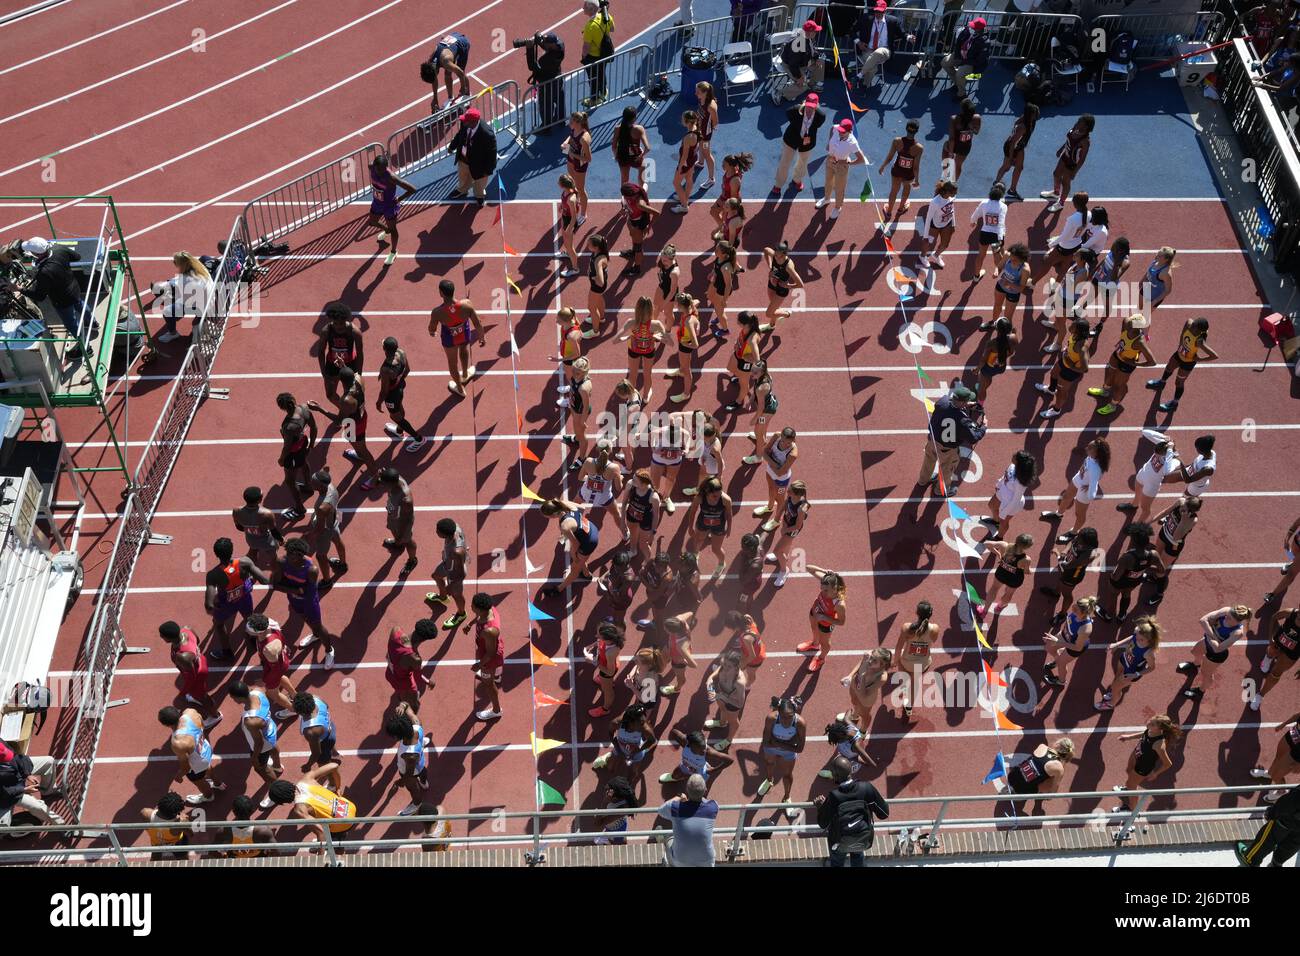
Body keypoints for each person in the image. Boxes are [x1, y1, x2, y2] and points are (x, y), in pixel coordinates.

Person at [20, 236, 96, 357]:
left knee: (72, 324)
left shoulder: (44, 272)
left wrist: (19, 289)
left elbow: (39, 296)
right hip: (74, 288)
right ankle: (93, 323)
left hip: (62, 300)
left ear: (37, 255)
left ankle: (86, 349)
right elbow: (77, 257)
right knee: (81, 305)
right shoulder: (59, 249)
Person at [815, 756, 889, 867]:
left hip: (839, 841)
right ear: (851, 770)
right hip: (861, 837)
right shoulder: (867, 788)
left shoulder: (834, 796)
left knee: (837, 861)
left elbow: (823, 823)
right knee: (858, 855)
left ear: (835, 776)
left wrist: (821, 807)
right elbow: (884, 814)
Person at [203, 537, 268, 660]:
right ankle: (254, 641)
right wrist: (249, 579)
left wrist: (213, 608)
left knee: (219, 625)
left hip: (226, 604)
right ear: (232, 551)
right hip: (244, 598)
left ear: (216, 554)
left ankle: (227, 653)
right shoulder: (245, 562)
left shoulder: (213, 575)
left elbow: (209, 604)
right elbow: (264, 580)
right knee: (249, 619)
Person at [916, 383, 985, 497]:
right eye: (967, 401)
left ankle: (923, 480)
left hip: (932, 441)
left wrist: (963, 405)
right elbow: (974, 438)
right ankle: (939, 490)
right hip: (947, 449)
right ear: (963, 402)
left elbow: (950, 407)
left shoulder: (942, 402)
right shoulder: (963, 419)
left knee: (928, 461)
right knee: (947, 469)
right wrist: (983, 427)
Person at [277, 536, 336, 668]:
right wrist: (295, 590)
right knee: (306, 620)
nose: (289, 558)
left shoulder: (311, 570)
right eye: (288, 554)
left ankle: (329, 650)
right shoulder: (282, 562)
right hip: (293, 600)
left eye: (292, 556)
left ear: (300, 555)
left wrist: (289, 588)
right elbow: (276, 584)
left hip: (309, 602)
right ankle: (315, 635)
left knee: (318, 626)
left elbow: (307, 593)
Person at [265, 764, 357, 848]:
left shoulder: (300, 810)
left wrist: (320, 855)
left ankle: (338, 847)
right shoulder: (307, 778)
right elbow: (334, 766)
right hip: (349, 806)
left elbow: (321, 832)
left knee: (334, 842)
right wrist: (338, 787)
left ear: (282, 801)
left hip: (344, 823)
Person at [1040, 437, 1109, 543]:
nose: (1086, 448)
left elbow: (1094, 486)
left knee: (1079, 514)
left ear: (1097, 453)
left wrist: (1090, 492)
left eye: (1090, 448)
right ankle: (1058, 514)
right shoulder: (1091, 457)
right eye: (1088, 445)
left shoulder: (1096, 469)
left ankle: (1074, 532)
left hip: (1084, 490)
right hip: (1078, 479)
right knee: (1067, 496)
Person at [1087, 312, 1155, 417]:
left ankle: (1113, 405)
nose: (1129, 321)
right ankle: (1105, 391)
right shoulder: (1126, 323)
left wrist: (1135, 363)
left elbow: (1152, 362)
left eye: (1132, 321)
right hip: (1117, 355)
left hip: (1126, 363)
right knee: (1109, 373)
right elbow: (1126, 321)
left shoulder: (1140, 342)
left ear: (1136, 327)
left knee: (1119, 386)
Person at [1145, 317, 1218, 414]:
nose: (1192, 326)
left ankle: (1174, 403)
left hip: (1187, 363)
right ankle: (1161, 383)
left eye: (1195, 326)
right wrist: (1180, 343)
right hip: (1179, 354)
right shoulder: (1189, 323)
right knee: (1169, 367)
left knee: (1178, 383)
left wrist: (1200, 359)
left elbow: (1214, 356)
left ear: (1199, 330)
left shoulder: (1199, 341)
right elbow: (1184, 332)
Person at [1179, 605, 1253, 700]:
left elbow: (1217, 648)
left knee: (1206, 674)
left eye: (1229, 618)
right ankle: (1195, 666)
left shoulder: (1237, 632)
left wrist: (1208, 631)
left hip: (1216, 655)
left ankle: (1200, 691)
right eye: (1227, 615)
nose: (1226, 617)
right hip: (1207, 642)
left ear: (1237, 622)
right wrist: (1214, 637)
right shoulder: (1226, 610)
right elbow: (1202, 620)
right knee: (1195, 652)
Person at [428, 278, 486, 399]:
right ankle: (465, 374)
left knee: (452, 362)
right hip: (463, 333)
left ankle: (460, 388)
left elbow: (432, 327)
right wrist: (481, 337)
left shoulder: (437, 312)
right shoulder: (467, 304)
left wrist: (432, 332)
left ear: (441, 293)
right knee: (464, 349)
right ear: (454, 290)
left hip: (449, 338)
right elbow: (478, 323)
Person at [158, 704, 226, 805]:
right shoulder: (190, 712)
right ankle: (218, 784)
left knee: (199, 781)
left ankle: (208, 796)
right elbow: (202, 725)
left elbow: (186, 767)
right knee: (207, 767)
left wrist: (179, 776)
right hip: (205, 749)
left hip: (198, 762)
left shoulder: (178, 742)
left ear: (166, 725)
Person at [159, 620, 222, 727]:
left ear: (168, 638)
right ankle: (195, 696)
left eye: (162, 635)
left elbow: (192, 677)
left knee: (202, 696)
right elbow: (197, 640)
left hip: (197, 674)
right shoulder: (186, 629)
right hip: (199, 661)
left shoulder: (182, 656)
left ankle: (215, 716)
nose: (160, 636)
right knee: (196, 693)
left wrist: (184, 692)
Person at [1112, 716, 1181, 812]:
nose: (1148, 723)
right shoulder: (1151, 730)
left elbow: (1168, 763)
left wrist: (1156, 773)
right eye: (1150, 720)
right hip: (1137, 755)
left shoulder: (1159, 744)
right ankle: (1128, 789)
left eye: (1152, 724)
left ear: (1160, 729)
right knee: (1128, 771)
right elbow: (1144, 734)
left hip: (1143, 766)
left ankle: (1132, 810)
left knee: (1132, 786)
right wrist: (1129, 737)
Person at [228, 680, 284, 794]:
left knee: (261, 769)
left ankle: (277, 791)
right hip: (270, 730)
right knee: (273, 747)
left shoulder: (251, 721)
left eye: (233, 698)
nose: (233, 700)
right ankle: (277, 767)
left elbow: (259, 743)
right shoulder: (258, 691)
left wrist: (254, 758)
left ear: (238, 698)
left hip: (262, 742)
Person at [1097, 616, 1163, 711]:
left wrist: (1136, 674)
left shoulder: (1148, 653)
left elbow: (1151, 668)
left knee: (1116, 688)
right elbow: (1131, 638)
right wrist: (1117, 644)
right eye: (1137, 636)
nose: (1137, 639)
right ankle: (1113, 692)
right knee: (1116, 678)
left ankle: (1111, 704)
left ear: (1150, 640)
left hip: (1131, 672)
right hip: (1124, 660)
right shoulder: (1138, 636)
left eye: (1141, 640)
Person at [539, 498, 600, 597]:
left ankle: (558, 589)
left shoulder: (564, 526)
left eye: (547, 517)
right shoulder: (564, 504)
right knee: (580, 559)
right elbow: (582, 507)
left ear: (553, 515)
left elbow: (575, 544)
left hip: (588, 542)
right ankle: (586, 573)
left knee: (575, 567)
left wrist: (574, 556)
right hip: (591, 528)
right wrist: (575, 525)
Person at [656, 773, 719, 867]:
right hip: (707, 860)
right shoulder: (713, 807)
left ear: (687, 790)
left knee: (669, 837)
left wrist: (679, 797)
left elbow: (661, 810)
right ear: (705, 790)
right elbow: (701, 804)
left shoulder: (675, 808)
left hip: (681, 861)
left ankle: (666, 858)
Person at [364, 156, 417, 266]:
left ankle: (393, 252)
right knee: (372, 222)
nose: (379, 172)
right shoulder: (371, 167)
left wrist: (399, 199)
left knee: (393, 229)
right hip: (377, 202)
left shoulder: (391, 177)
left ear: (386, 168)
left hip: (389, 206)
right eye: (378, 169)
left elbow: (412, 189)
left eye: (382, 170)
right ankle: (385, 230)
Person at [376, 337, 426, 453]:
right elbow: (407, 370)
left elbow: (384, 391)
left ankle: (418, 439)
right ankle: (399, 431)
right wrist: (398, 380)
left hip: (391, 395)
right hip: (400, 387)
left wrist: (378, 403)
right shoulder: (401, 353)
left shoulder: (386, 369)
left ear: (384, 349)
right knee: (399, 410)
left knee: (395, 416)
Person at [153, 251, 214, 343]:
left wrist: (168, 299)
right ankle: (202, 321)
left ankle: (173, 333)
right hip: (211, 299)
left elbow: (185, 300)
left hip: (202, 306)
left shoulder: (185, 279)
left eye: (175, 262)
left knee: (167, 311)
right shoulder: (201, 268)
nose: (174, 263)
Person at [772, 92, 827, 195]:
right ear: (805, 104)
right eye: (808, 107)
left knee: (803, 163)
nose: (809, 110)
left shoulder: (821, 116)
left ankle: (797, 180)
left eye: (812, 107)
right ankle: (778, 184)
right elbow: (789, 116)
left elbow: (817, 126)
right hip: (791, 140)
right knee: (785, 162)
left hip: (807, 143)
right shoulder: (794, 110)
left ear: (816, 106)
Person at [0, 741, 65, 827]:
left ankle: (48, 792)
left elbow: (16, 757)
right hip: (8, 795)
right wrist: (24, 789)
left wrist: (27, 774)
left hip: (14, 776)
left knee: (49, 761)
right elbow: (4, 792)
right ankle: (61, 826)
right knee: (38, 806)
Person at [891, 601, 938, 719]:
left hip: (906, 662)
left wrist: (895, 662)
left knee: (905, 679)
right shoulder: (935, 629)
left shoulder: (907, 627)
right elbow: (934, 640)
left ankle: (905, 688)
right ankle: (909, 706)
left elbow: (898, 647)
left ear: (916, 613)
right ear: (931, 614)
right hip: (922, 664)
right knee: (915, 683)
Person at [1041, 595, 1098, 689]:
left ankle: (1061, 681)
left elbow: (1077, 647)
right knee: (1048, 647)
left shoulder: (1085, 628)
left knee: (1061, 663)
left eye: (1076, 609)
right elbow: (1068, 626)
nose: (1073, 608)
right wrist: (1057, 637)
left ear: (1084, 613)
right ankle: (1057, 660)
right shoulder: (1075, 612)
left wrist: (1058, 642)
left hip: (1075, 647)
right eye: (1075, 606)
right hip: (1065, 636)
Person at [386, 702, 432, 815]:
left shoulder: (409, 754)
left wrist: (400, 781)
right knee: (422, 772)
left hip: (410, 770)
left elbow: (409, 774)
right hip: (420, 762)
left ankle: (416, 804)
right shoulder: (417, 724)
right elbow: (407, 705)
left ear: (398, 736)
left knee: (413, 788)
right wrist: (402, 706)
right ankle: (424, 783)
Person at [1237, 784, 1300, 866]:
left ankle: (1250, 859)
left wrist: (1271, 813)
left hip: (1286, 820)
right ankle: (1276, 863)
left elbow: (1287, 804)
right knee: (1291, 845)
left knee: (1267, 840)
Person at [1042, 115, 1094, 213]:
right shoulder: (1075, 128)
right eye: (1079, 120)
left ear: (1086, 126)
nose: (1078, 121)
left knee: (1065, 183)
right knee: (1056, 174)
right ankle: (1056, 192)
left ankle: (1061, 203)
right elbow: (1068, 140)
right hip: (1064, 157)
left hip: (1072, 163)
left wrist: (1075, 172)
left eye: (1081, 121)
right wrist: (1061, 149)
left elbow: (1082, 159)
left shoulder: (1085, 141)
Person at [317, 300, 364, 408]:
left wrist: (359, 374)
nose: (339, 326)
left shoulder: (355, 332)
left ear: (346, 320)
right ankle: (344, 410)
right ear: (331, 320)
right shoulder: (326, 331)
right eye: (336, 323)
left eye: (341, 323)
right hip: (332, 365)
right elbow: (320, 352)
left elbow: (360, 353)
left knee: (352, 394)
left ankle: (350, 412)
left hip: (349, 365)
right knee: (330, 395)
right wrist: (324, 373)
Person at [465, 591, 504, 721]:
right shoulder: (489, 608)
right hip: (489, 647)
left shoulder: (489, 631)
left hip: (489, 657)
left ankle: (496, 710)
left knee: (488, 684)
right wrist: (470, 624)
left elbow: (491, 653)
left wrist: (479, 665)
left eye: (472, 605)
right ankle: (496, 676)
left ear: (478, 608)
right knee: (490, 676)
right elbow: (479, 617)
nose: (470, 607)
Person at [592, 704, 658, 781]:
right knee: (610, 768)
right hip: (620, 746)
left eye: (643, 721)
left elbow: (651, 740)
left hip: (636, 750)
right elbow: (610, 733)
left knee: (633, 772)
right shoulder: (616, 723)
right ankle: (607, 757)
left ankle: (628, 783)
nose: (642, 724)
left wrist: (638, 750)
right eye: (639, 722)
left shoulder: (644, 728)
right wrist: (617, 746)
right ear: (630, 722)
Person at [1252, 606, 1300, 711]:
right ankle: (1268, 658)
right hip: (1279, 642)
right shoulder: (1289, 613)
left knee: (1276, 673)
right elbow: (1274, 618)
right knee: (1271, 651)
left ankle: (1260, 695)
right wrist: (1270, 639)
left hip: (1293, 652)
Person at [800, 564, 847, 671]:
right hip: (815, 612)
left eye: (826, 590)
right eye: (822, 589)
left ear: (835, 589)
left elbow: (841, 622)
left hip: (826, 623)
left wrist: (824, 617)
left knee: (824, 643)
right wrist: (824, 570)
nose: (823, 592)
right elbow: (808, 568)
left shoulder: (839, 604)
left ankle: (821, 659)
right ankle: (814, 644)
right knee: (813, 629)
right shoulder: (827, 582)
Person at [855, 0, 910, 89]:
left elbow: (902, 33)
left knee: (879, 52)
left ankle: (859, 75)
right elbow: (853, 31)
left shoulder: (893, 21)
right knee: (873, 69)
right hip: (868, 49)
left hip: (885, 50)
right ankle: (864, 86)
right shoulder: (866, 18)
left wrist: (909, 37)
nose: (878, 14)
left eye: (880, 11)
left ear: (885, 11)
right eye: (876, 11)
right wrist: (858, 42)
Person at [449, 107, 497, 207]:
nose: (463, 122)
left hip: (479, 164)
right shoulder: (466, 123)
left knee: (480, 181)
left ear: (473, 122)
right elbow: (459, 135)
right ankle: (462, 190)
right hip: (463, 158)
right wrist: (452, 146)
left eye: (465, 121)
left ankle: (479, 195)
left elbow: (492, 153)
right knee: (463, 176)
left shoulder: (487, 134)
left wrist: (488, 169)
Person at [818, 119, 865, 220]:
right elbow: (832, 128)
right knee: (828, 181)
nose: (840, 132)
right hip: (830, 160)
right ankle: (826, 199)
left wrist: (848, 163)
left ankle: (837, 207)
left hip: (841, 166)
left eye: (843, 132)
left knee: (839, 188)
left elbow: (861, 159)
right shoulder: (836, 129)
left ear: (849, 131)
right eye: (840, 130)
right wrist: (829, 143)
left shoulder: (852, 142)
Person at [703, 649, 750, 750]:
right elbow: (711, 678)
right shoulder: (723, 667)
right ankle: (721, 723)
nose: (725, 668)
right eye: (724, 664)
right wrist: (709, 686)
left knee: (733, 721)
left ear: (736, 667)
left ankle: (729, 740)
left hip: (732, 703)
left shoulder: (739, 683)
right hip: (720, 694)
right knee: (722, 710)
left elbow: (740, 703)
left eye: (729, 666)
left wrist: (723, 697)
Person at [984, 450, 1036, 541]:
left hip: (1011, 503)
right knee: (991, 505)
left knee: (1003, 521)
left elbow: (1016, 500)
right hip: (1002, 493)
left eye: (1015, 456)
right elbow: (1005, 476)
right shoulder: (1012, 466)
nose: (1013, 455)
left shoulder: (1021, 482)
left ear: (1019, 463)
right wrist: (999, 484)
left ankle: (999, 537)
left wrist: (1004, 513)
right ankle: (996, 522)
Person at [376, 467, 418, 577]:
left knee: (408, 540)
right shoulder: (392, 479)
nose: (382, 485)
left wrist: (402, 535)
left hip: (402, 521)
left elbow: (407, 520)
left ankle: (412, 560)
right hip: (394, 515)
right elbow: (378, 481)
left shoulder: (406, 500)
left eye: (384, 483)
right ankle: (398, 544)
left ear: (391, 483)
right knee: (394, 532)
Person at [993, 102, 1039, 202]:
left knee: (1019, 168)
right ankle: (996, 185)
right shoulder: (1023, 126)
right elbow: (1013, 142)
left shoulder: (1030, 120)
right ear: (1029, 114)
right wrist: (1010, 158)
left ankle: (1012, 191)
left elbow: (1016, 125)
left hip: (1019, 147)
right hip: (1011, 147)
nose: (1037, 114)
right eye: (1035, 113)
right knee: (1007, 166)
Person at [232, 485, 284, 572]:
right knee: (273, 557)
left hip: (250, 539)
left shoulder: (236, 511)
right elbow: (274, 531)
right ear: (260, 500)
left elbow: (239, 527)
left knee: (253, 551)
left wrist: (251, 531)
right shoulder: (267, 514)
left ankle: (248, 569)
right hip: (267, 541)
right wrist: (281, 539)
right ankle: (276, 573)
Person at [659, 728, 733, 787]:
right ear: (691, 745)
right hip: (685, 766)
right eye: (700, 749)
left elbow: (729, 760)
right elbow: (674, 732)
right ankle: (675, 778)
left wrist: (713, 770)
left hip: (700, 772)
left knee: (697, 791)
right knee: (674, 775)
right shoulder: (684, 741)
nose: (703, 751)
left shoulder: (708, 752)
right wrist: (674, 747)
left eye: (704, 747)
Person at [880, 119, 923, 218]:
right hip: (908, 174)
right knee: (906, 189)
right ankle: (900, 209)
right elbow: (916, 167)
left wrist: (882, 167)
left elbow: (890, 157)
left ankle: (889, 212)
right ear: (916, 131)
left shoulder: (896, 141)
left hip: (897, 171)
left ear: (906, 128)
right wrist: (917, 180)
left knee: (894, 191)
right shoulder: (919, 148)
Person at [1004, 738, 1074, 799]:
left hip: (1012, 775)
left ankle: (1014, 787)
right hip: (1022, 791)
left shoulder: (1042, 746)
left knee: (1039, 768)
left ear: (1057, 744)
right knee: (1052, 779)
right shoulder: (1059, 768)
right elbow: (1055, 787)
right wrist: (1051, 796)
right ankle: (1027, 793)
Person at [775, 20, 826, 103]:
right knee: (803, 86)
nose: (816, 33)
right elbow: (793, 65)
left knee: (821, 62)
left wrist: (816, 58)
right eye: (815, 31)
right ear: (809, 32)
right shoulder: (798, 44)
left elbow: (813, 49)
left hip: (803, 61)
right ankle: (780, 93)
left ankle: (812, 84)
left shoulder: (807, 37)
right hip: (791, 65)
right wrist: (799, 77)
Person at [293, 691, 341, 778]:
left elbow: (316, 753)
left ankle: (332, 784)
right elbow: (327, 706)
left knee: (323, 766)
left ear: (302, 713)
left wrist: (308, 765)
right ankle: (334, 752)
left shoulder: (311, 731)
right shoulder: (316, 698)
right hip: (330, 728)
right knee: (329, 742)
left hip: (325, 741)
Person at [525, 32, 566, 132]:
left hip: (547, 83)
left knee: (545, 105)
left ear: (551, 45)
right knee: (559, 100)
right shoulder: (560, 46)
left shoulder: (546, 59)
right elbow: (548, 47)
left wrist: (529, 49)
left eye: (546, 43)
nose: (544, 44)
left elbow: (532, 66)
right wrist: (539, 41)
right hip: (557, 78)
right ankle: (561, 120)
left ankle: (546, 128)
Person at [385, 624, 429, 713]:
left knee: (400, 694)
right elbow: (418, 676)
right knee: (414, 706)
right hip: (406, 683)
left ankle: (401, 700)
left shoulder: (396, 632)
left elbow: (388, 654)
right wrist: (427, 681)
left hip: (390, 674)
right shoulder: (415, 659)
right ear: (424, 640)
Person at [942, 16, 988, 100]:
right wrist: (957, 56)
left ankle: (961, 94)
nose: (970, 27)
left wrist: (963, 62)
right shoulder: (968, 31)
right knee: (945, 62)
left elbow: (979, 60)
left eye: (973, 27)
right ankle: (957, 83)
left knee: (960, 74)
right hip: (962, 55)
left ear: (979, 30)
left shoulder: (984, 42)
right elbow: (959, 43)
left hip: (972, 64)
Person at [918, 179, 959, 271]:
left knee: (945, 244)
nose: (956, 193)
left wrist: (953, 224)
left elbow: (952, 210)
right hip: (935, 225)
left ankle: (936, 255)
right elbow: (928, 219)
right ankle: (922, 256)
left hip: (947, 224)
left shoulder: (952, 198)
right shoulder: (935, 202)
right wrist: (925, 235)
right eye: (954, 192)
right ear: (947, 191)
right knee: (929, 242)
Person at [579, 0, 615, 106]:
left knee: (593, 78)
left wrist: (583, 57)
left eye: (585, 7)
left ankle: (594, 99)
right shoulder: (605, 16)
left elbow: (586, 47)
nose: (583, 8)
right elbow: (612, 29)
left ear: (591, 9)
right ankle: (603, 92)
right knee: (602, 73)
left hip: (593, 56)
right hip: (604, 53)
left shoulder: (590, 26)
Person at [969, 183, 1008, 280]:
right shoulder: (1003, 206)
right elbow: (1001, 223)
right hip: (996, 235)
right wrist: (1000, 238)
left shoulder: (984, 203)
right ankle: (1001, 275)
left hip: (985, 233)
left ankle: (976, 276)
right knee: (997, 255)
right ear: (1002, 194)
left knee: (981, 255)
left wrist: (972, 222)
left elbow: (975, 215)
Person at [424, 32, 472, 112]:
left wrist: (463, 88)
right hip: (450, 43)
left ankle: (467, 94)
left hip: (463, 44)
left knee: (457, 70)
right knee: (447, 74)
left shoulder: (446, 62)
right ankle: (450, 98)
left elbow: (460, 73)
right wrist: (435, 98)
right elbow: (434, 80)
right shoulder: (431, 62)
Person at [140, 792, 195, 860]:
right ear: (176, 811)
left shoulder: (145, 813)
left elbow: (146, 827)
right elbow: (190, 834)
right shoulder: (180, 823)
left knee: (155, 857)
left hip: (156, 842)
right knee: (182, 858)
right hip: (177, 843)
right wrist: (186, 821)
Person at [562, 112, 593, 224]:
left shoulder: (584, 138)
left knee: (581, 189)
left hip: (580, 164)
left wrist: (573, 154)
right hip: (570, 160)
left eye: (571, 122)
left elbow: (589, 159)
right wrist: (565, 143)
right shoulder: (574, 129)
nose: (569, 123)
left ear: (578, 123)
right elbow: (571, 137)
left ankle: (583, 214)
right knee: (572, 182)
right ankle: (576, 200)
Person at [1264, 514, 1300, 605]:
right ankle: (1292, 564)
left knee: (1291, 574)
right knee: (1294, 558)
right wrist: (1287, 539)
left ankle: (1272, 594)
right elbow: (1295, 525)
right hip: (1296, 542)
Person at [942, 98, 981, 182]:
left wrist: (951, 153)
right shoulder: (977, 118)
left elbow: (952, 139)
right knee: (958, 165)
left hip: (955, 145)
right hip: (965, 147)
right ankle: (953, 183)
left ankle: (945, 177)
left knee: (946, 148)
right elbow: (976, 132)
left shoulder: (954, 119)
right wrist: (971, 128)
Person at [612, 106, 650, 185]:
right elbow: (647, 148)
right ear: (634, 118)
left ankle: (624, 196)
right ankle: (641, 192)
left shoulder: (617, 128)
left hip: (622, 157)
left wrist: (616, 156)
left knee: (624, 180)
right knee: (642, 174)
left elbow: (614, 146)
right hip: (635, 156)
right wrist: (641, 156)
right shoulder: (639, 129)